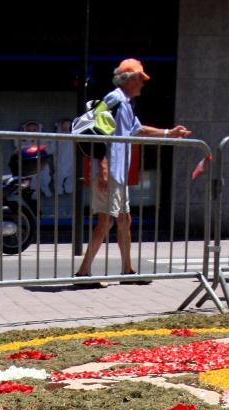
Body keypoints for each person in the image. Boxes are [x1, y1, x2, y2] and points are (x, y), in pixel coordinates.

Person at [75, 58, 190, 285]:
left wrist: (170, 133)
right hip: (110, 171)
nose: (143, 84)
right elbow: (97, 133)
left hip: (118, 173)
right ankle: (82, 273)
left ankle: (127, 271)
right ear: (129, 80)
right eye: (140, 79)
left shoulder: (126, 103)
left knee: (124, 219)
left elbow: (139, 130)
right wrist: (103, 168)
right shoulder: (115, 99)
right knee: (106, 221)